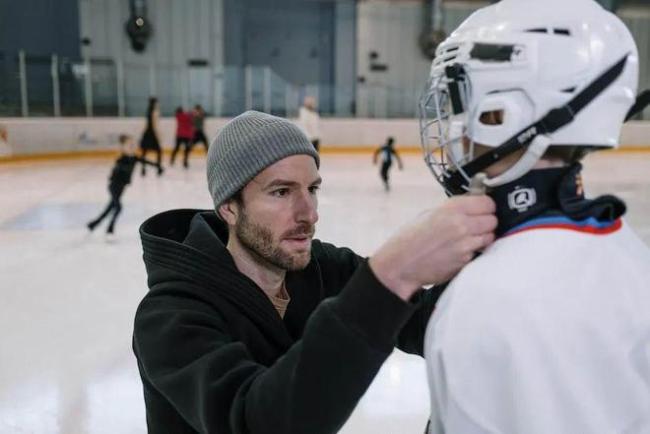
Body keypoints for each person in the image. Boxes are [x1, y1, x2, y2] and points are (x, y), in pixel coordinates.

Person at [132, 111, 497, 433]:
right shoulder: (170, 316)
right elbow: (255, 421)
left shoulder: (322, 269)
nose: (309, 213)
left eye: (312, 189)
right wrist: (393, 273)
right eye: (281, 192)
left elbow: (427, 321)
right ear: (229, 208)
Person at [419, 0, 650, 432]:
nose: (454, 125)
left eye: (461, 101)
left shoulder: (488, 297)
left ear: (508, 111)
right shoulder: (631, 255)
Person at [87, 134, 162, 238]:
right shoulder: (121, 159)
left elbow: (146, 161)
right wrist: (121, 168)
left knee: (110, 208)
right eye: (129, 145)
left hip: (121, 188)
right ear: (122, 147)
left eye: (133, 144)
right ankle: (110, 228)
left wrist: (158, 166)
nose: (132, 146)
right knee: (118, 207)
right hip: (114, 187)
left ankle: (93, 224)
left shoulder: (134, 158)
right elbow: (118, 170)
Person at [139, 97, 164, 176]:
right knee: (159, 151)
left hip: (147, 133)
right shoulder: (155, 112)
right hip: (152, 133)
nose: (158, 104)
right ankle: (159, 168)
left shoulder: (148, 111)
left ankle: (143, 169)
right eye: (157, 103)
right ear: (155, 103)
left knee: (144, 152)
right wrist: (158, 136)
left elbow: (147, 124)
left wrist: (143, 133)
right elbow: (154, 125)